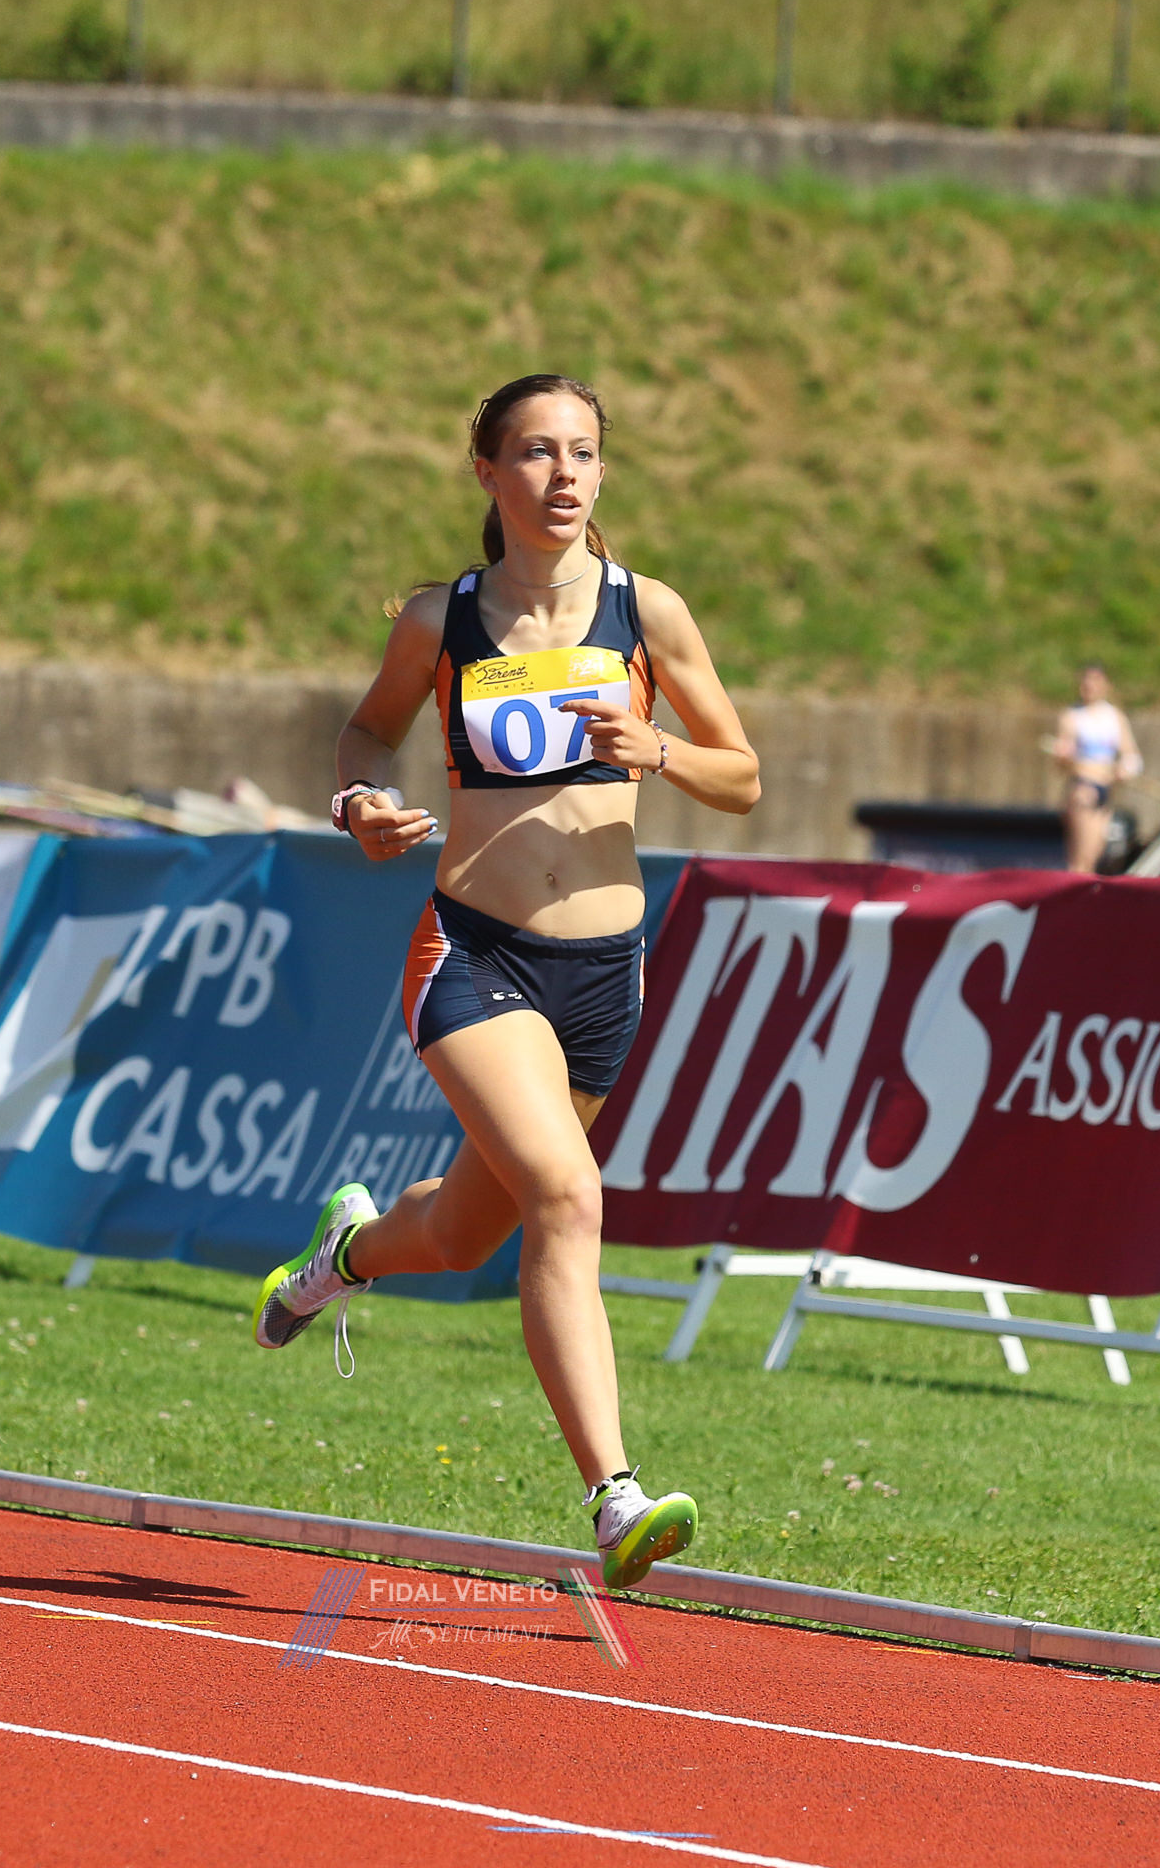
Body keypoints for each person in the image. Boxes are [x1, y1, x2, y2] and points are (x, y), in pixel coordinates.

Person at [254, 373, 762, 1591]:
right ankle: (615, 1496)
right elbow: (366, 732)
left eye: (583, 451)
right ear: (488, 471)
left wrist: (660, 749)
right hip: (475, 953)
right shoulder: (443, 619)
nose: (564, 474)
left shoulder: (648, 612)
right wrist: (359, 799)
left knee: (462, 1228)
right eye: (536, 451)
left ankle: (344, 1253)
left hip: (604, 973)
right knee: (568, 1199)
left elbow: (742, 775)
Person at [1051, 663, 1141, 874]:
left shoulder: (1115, 717)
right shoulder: (1072, 716)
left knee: (1092, 860)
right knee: (1080, 860)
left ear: (1106, 685)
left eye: (1095, 680)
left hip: (1106, 790)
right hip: (1083, 787)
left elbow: (1132, 756)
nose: (1089, 685)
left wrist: (1125, 769)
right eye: (1086, 680)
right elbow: (1061, 763)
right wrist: (1063, 756)